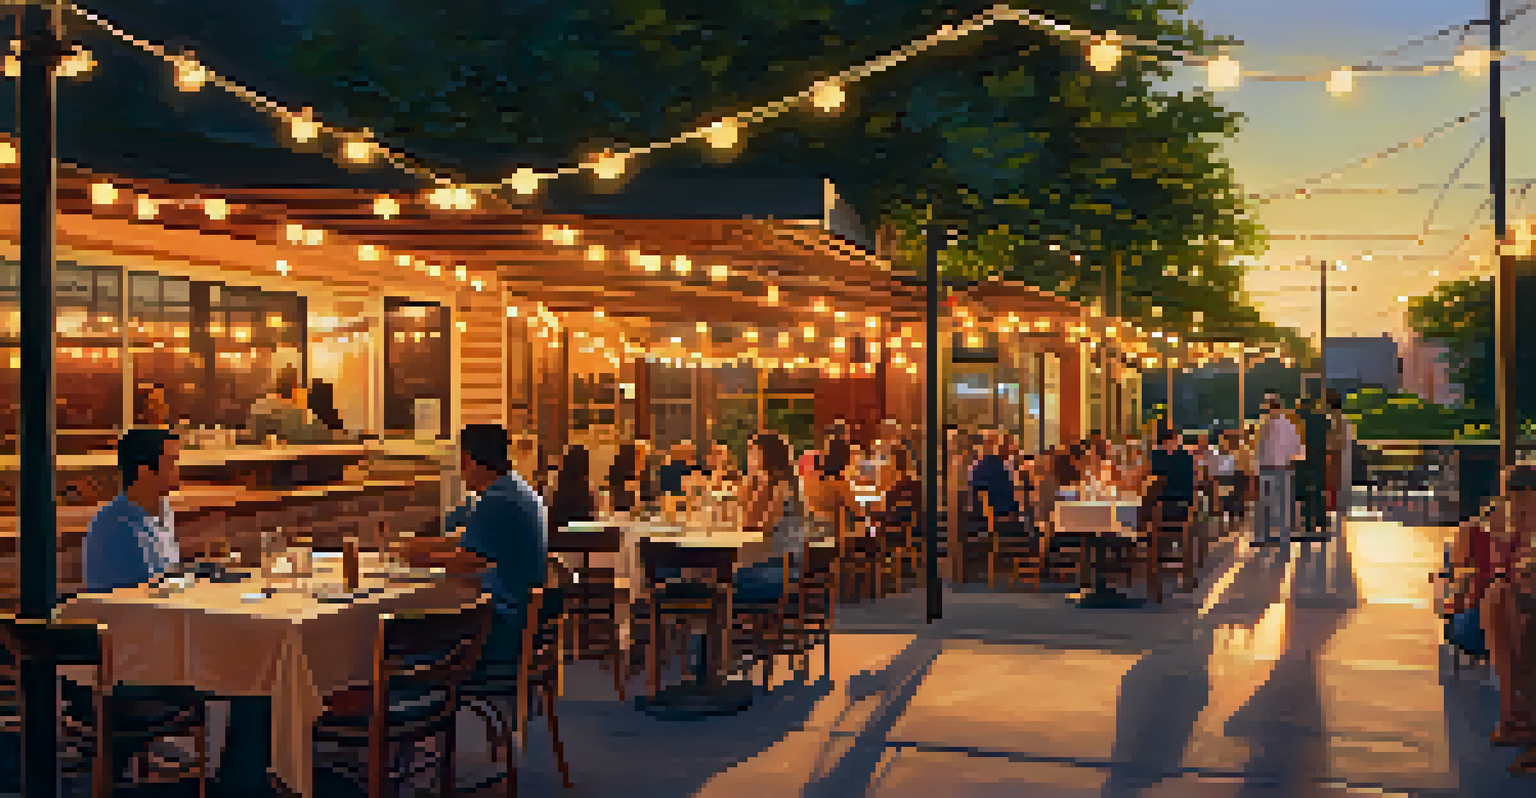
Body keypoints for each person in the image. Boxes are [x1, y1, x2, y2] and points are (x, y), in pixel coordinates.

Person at [399, 424, 548, 661]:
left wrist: (420, 559)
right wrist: (422, 544)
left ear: (469, 461)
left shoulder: (496, 500)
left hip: (499, 625)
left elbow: (468, 562)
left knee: (400, 633)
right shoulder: (516, 490)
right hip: (524, 617)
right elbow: (469, 538)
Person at [1444, 465, 1536, 773]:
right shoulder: (1487, 532)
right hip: (1493, 614)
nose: (1516, 504)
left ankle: (1517, 717)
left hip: (1510, 613)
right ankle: (1515, 715)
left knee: (1506, 606)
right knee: (1500, 601)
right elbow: (1465, 581)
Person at [83, 428, 182, 592]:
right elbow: (138, 596)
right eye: (171, 464)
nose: (178, 471)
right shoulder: (114, 527)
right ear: (144, 472)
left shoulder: (162, 512)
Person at [734, 433, 807, 605]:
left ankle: (723, 629)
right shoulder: (770, 483)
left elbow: (764, 527)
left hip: (781, 571)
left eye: (754, 452)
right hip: (771, 563)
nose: (750, 457)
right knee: (716, 577)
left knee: (718, 581)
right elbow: (748, 522)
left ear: (767, 455)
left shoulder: (783, 485)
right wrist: (754, 482)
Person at [1255, 394, 1305, 544]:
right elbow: (1298, 448)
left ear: (1268, 406)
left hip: (1266, 467)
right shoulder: (1288, 425)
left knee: (1266, 502)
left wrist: (1256, 466)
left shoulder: (1264, 424)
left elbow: (1259, 447)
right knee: (1283, 502)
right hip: (1284, 466)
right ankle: (1285, 534)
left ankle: (1265, 534)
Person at [246, 366, 332, 443]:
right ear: (294, 388)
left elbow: (251, 432)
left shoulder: (258, 406)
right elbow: (323, 435)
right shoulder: (299, 414)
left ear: (277, 385)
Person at [803, 435, 865, 540]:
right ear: (846, 460)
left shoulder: (810, 478)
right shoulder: (840, 485)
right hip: (831, 539)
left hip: (808, 533)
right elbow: (859, 511)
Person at [1294, 397, 1330, 541]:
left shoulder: (1299, 422)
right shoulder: (1323, 419)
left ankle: (1308, 524)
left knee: (1305, 494)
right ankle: (1321, 520)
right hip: (1320, 460)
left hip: (1303, 461)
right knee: (1319, 490)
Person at [1147, 428, 1196, 522]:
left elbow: (1189, 479)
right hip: (1171, 494)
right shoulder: (1157, 455)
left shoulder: (1185, 456)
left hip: (1176, 494)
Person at [548, 444, 597, 535]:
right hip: (579, 533)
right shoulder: (583, 486)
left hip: (560, 533)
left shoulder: (561, 482)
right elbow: (589, 515)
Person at [969, 430, 1019, 519]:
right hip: (996, 516)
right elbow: (982, 494)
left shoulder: (1002, 464)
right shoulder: (983, 466)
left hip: (1008, 514)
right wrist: (990, 523)